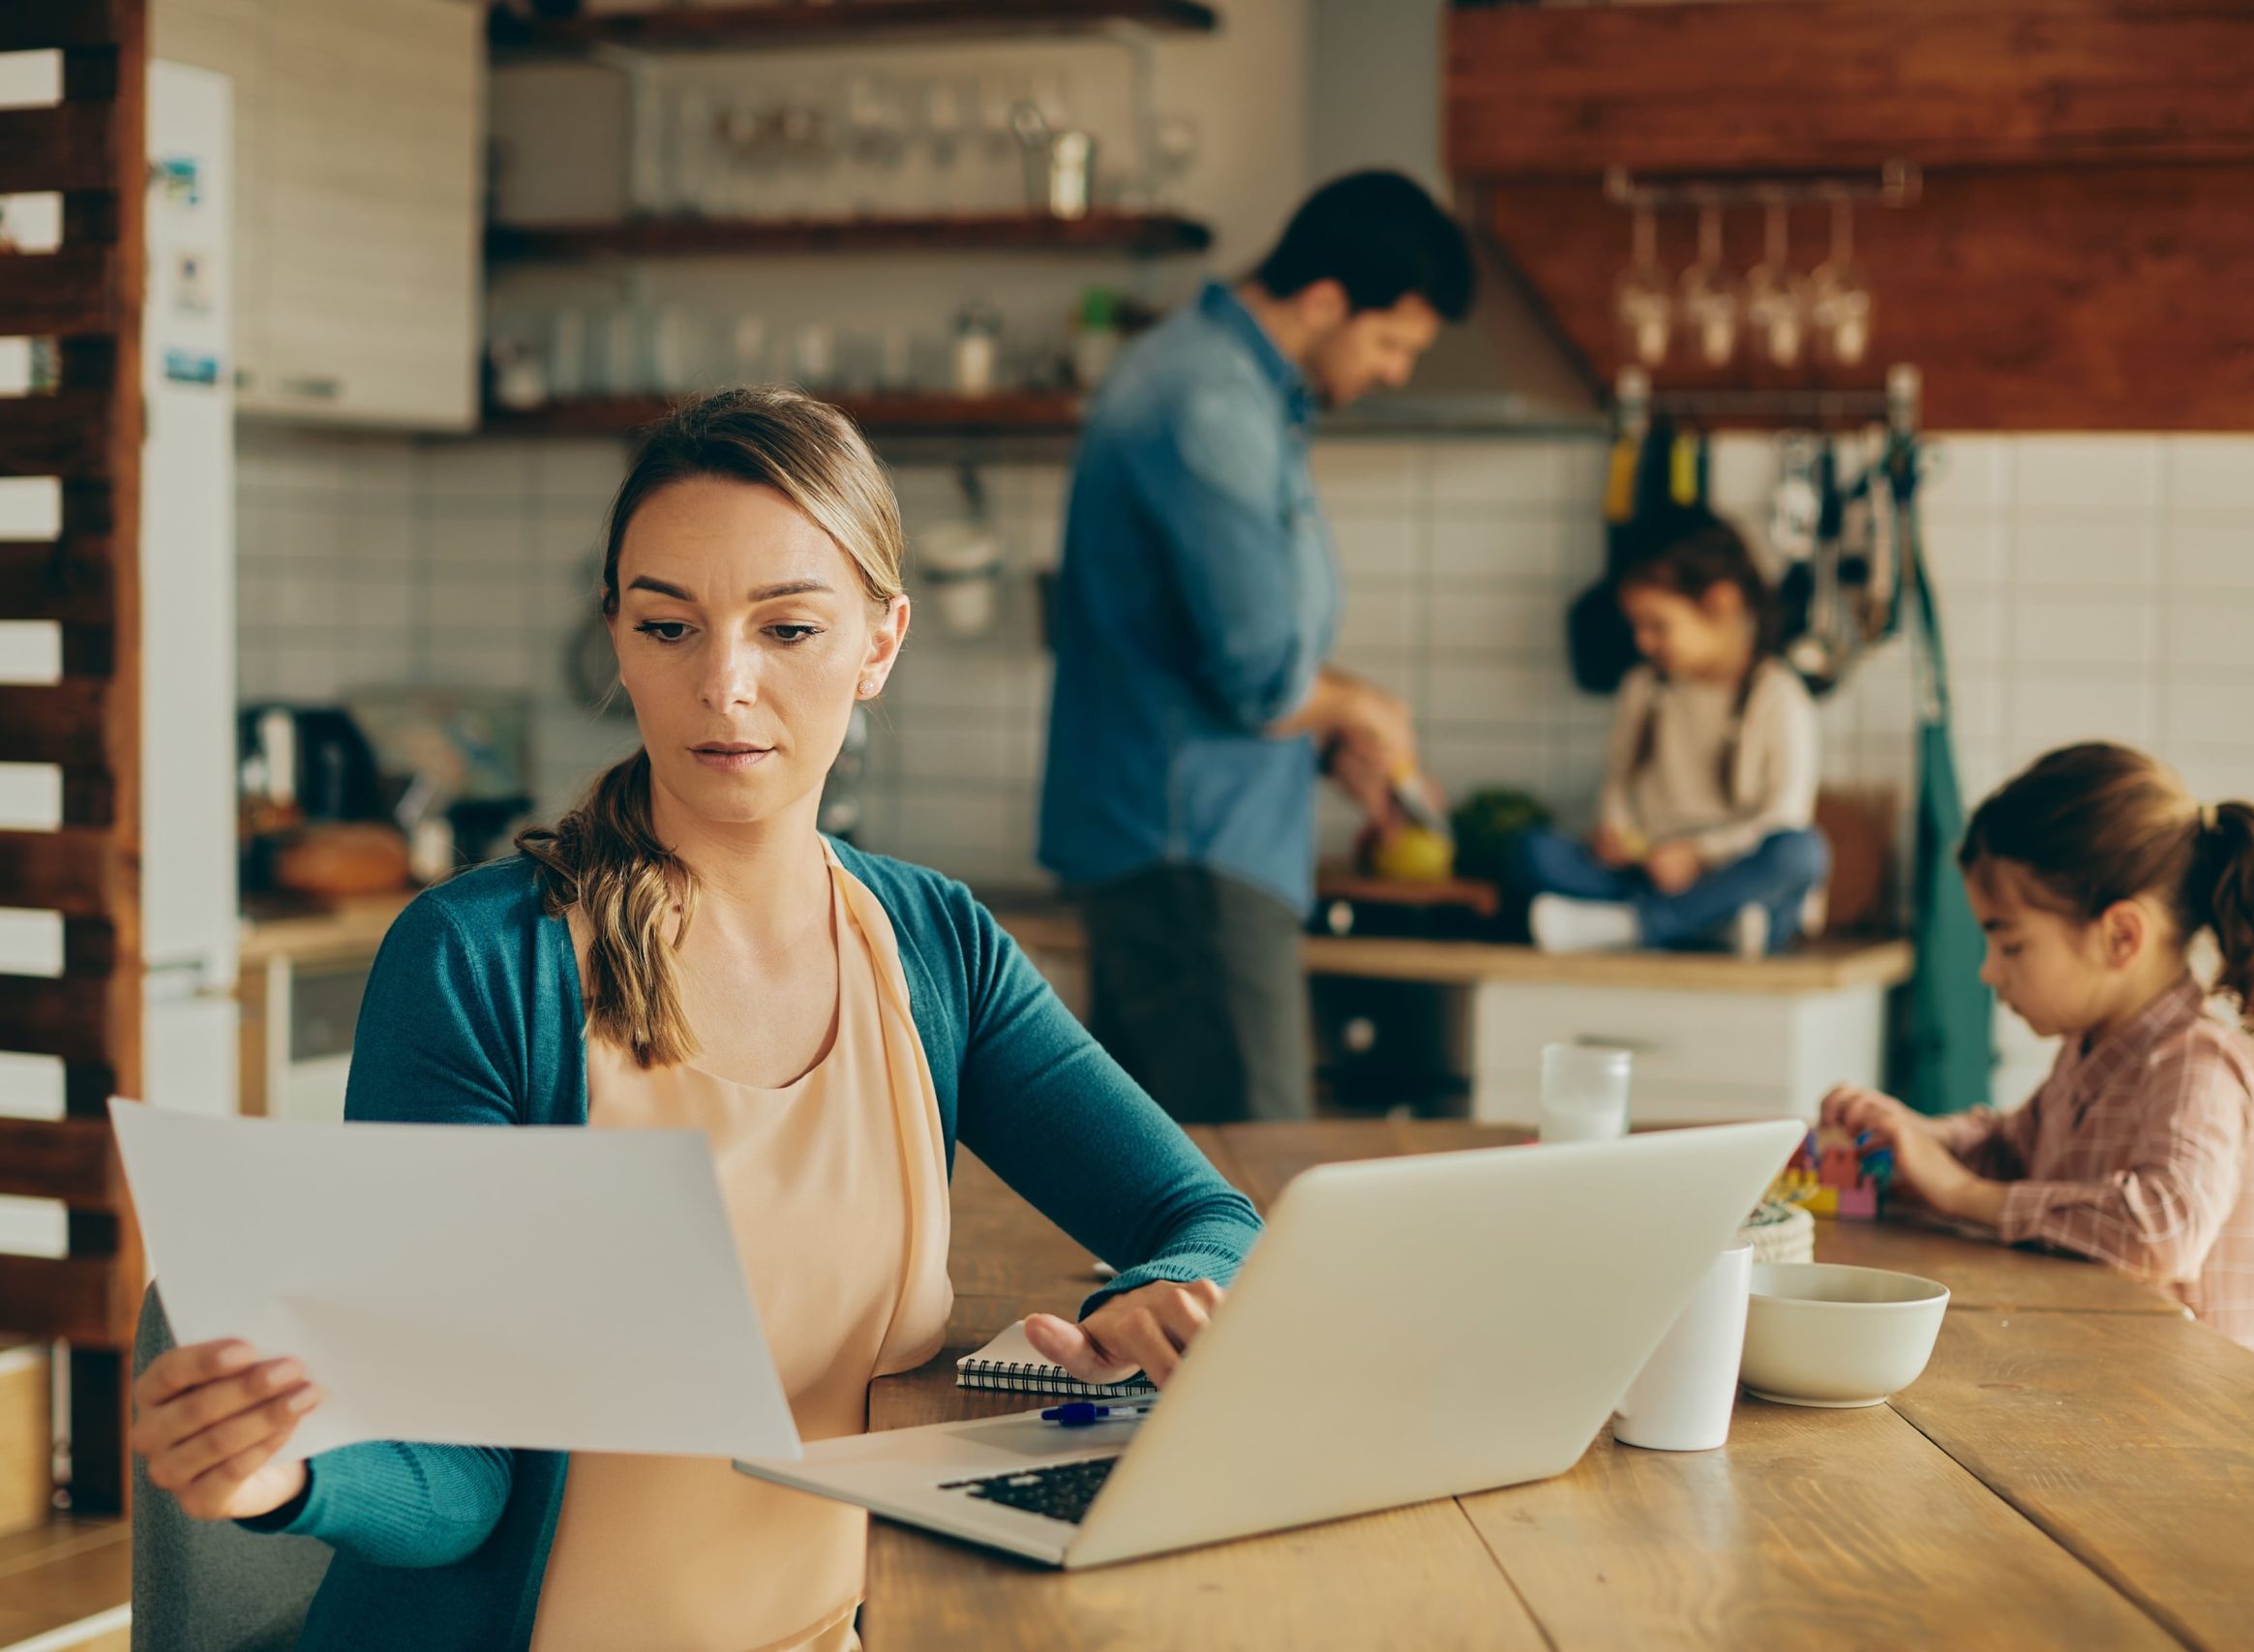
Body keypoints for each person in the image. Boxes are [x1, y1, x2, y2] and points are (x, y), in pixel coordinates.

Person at [126, 388, 1264, 1651]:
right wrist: (286, 1474)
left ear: (880, 642)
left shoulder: (935, 945)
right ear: (616, 634)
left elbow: (1207, 1215)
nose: (724, 683)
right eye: (668, 624)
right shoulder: (476, 964)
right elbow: (461, 1476)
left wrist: (1164, 1294)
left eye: (788, 627)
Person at [1038, 169, 1476, 1125]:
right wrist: (1363, 707)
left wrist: (1331, 737)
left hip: (1192, 851)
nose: (1397, 371)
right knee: (1244, 1196)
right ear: (1324, 301)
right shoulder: (1208, 406)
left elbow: (1227, 656)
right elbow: (1259, 671)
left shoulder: (1233, 390)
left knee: (1186, 1202)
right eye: (1392, 342)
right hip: (1190, 863)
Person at [1820, 741, 2254, 1369]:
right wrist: (1919, 1136)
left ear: (2120, 936)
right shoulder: (2092, 1049)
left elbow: (2162, 1230)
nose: (1988, 970)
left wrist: (1959, 1191)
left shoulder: (2196, 1062)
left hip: (2208, 1429)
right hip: (2112, 1385)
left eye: (2010, 945)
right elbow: (2017, 1144)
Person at [1515, 509, 1828, 956]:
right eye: (1637, 627)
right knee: (1533, 851)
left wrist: (1699, 854)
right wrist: (1617, 832)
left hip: (1728, 874)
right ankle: (1706, 928)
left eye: (1658, 626)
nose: (1643, 642)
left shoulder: (1779, 696)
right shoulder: (1642, 687)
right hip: (1649, 873)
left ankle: (1632, 927)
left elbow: (1783, 815)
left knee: (1800, 854)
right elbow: (1618, 781)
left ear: (1721, 603)